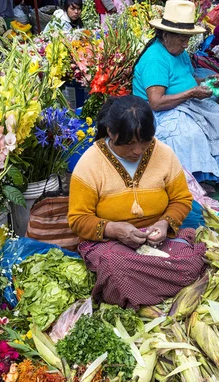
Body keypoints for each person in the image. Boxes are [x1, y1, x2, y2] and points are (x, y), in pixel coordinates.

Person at [68, 95, 206, 309]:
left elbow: (181, 199)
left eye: (145, 141)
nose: (138, 150)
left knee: (192, 262)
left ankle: (143, 296)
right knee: (116, 270)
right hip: (110, 243)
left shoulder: (164, 154)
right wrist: (113, 229)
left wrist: (164, 223)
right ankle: (157, 292)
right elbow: (78, 219)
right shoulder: (90, 163)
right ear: (112, 134)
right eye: (130, 144)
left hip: (158, 239)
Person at [133, 0, 219, 183]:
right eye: (182, 39)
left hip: (185, 104)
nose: (186, 44)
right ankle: (192, 180)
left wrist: (206, 81)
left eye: (187, 38)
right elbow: (156, 102)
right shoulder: (155, 59)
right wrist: (191, 93)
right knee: (190, 133)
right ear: (166, 35)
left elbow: (186, 80)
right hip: (160, 113)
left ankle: (218, 171)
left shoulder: (179, 53)